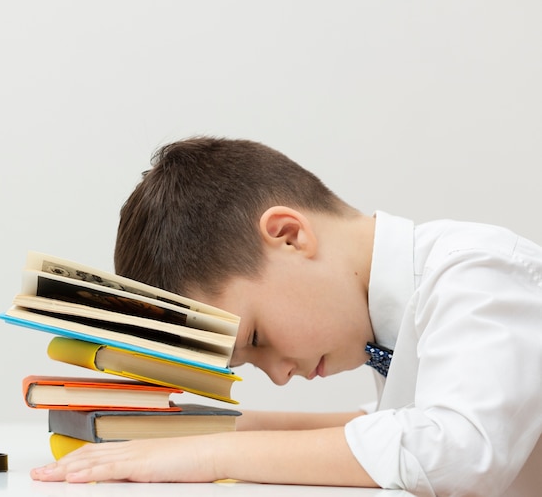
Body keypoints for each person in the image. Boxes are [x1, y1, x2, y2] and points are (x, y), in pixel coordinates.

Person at [31, 137, 542, 496]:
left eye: (255, 336)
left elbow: (456, 450)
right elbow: (401, 424)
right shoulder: (402, 304)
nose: (278, 375)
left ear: (290, 236)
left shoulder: (477, 272)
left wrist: (210, 458)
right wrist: (229, 428)